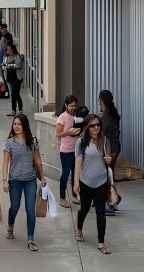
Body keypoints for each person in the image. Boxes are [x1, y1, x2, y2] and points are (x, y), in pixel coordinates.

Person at [2, 114, 47, 252]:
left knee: (30, 210)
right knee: (14, 207)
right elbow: (5, 163)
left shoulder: (33, 141)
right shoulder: (9, 142)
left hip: (30, 180)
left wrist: (42, 177)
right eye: (15, 124)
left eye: (19, 124)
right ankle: (10, 226)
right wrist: (5, 180)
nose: (16, 126)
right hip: (15, 180)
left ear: (25, 125)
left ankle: (30, 238)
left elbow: (38, 160)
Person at [73, 114, 113, 255]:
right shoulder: (81, 142)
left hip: (101, 182)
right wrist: (76, 183)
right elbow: (78, 163)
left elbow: (108, 158)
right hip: (86, 182)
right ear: (87, 127)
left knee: (100, 213)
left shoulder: (105, 140)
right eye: (92, 125)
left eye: (98, 125)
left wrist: (109, 159)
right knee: (84, 208)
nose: (96, 127)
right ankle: (79, 228)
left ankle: (101, 242)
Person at [97, 90, 122, 215]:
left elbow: (100, 133)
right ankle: (114, 199)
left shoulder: (105, 116)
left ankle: (112, 203)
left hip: (109, 151)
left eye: (99, 100)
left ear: (102, 101)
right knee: (108, 176)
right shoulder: (113, 113)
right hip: (114, 149)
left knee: (107, 177)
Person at [56, 94, 82, 208]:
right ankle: (62, 198)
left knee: (76, 174)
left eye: (75, 105)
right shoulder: (62, 117)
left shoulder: (77, 116)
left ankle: (74, 196)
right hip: (66, 151)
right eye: (71, 106)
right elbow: (58, 134)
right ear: (66, 105)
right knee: (66, 174)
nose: (73, 108)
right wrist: (69, 132)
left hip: (77, 150)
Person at [4, 44, 24, 116]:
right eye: (8, 49)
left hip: (17, 78)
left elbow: (18, 65)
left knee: (16, 93)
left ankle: (20, 109)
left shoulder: (17, 56)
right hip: (9, 78)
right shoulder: (6, 57)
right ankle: (13, 111)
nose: (9, 51)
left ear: (13, 49)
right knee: (12, 94)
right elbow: (4, 66)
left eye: (10, 49)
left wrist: (9, 65)